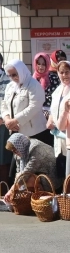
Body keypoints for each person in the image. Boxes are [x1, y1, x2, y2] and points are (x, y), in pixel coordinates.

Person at [3, 133, 61, 202]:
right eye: (13, 151)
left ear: (19, 145)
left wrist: (11, 191)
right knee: (19, 177)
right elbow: (18, 173)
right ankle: (26, 200)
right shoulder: (19, 152)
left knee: (29, 180)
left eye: (15, 150)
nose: (15, 153)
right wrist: (14, 188)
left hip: (51, 177)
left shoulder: (36, 149)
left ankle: (37, 199)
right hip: (38, 173)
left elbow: (27, 172)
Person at [2, 59, 48, 142]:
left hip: (35, 132)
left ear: (21, 71)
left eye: (15, 74)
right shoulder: (10, 86)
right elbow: (4, 105)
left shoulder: (33, 85)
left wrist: (16, 120)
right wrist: (7, 119)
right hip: (15, 131)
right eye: (10, 75)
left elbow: (35, 106)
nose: (13, 78)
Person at [46, 61, 70, 179]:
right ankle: (64, 196)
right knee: (62, 168)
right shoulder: (58, 90)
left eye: (67, 72)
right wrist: (50, 119)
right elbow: (53, 109)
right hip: (58, 135)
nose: (64, 75)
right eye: (61, 72)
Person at [32, 52, 54, 146]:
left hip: (49, 116)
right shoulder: (31, 79)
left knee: (48, 143)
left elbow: (54, 97)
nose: (41, 67)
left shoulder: (53, 77)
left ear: (48, 64)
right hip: (34, 115)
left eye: (43, 64)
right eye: (38, 63)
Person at [0, 54, 12, 185]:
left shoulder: (7, 80)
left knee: (3, 159)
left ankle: (4, 190)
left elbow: (6, 102)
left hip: (3, 123)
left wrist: (2, 118)